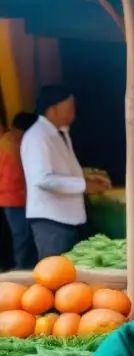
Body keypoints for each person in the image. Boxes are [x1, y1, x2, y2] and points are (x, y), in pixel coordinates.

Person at [21, 84, 109, 259]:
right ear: (52, 109)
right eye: (70, 108)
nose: (74, 113)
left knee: (70, 276)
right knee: (55, 277)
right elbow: (42, 179)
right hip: (52, 221)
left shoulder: (59, 133)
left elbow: (61, 169)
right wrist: (83, 185)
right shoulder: (37, 136)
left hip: (67, 218)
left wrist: (85, 176)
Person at [0, 112, 38, 268]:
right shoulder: (16, 144)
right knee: (22, 238)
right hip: (15, 199)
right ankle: (22, 270)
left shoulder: (6, 141)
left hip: (13, 198)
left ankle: (23, 268)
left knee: (21, 237)